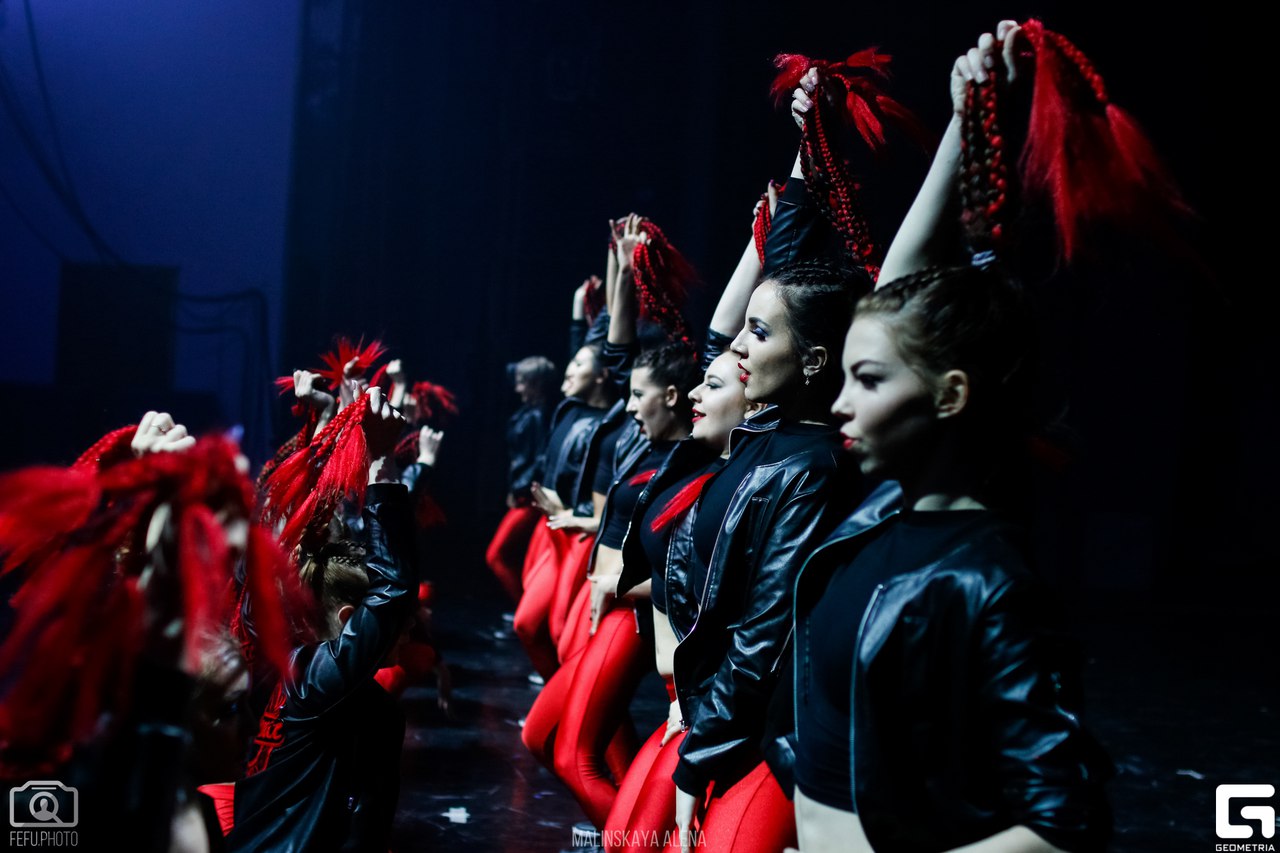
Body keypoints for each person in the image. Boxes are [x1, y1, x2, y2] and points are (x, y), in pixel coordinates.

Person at [785, 23, 1115, 853]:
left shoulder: (987, 580)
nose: (839, 406)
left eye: (867, 381)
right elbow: (898, 293)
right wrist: (966, 126)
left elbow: (1064, 823)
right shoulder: (877, 512)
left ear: (951, 395)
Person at [227, 388, 418, 853]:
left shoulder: (269, 659)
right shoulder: (316, 682)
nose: (406, 632)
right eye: (399, 626)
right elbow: (393, 591)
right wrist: (380, 463)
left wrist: (327, 422)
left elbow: (288, 535)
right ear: (350, 619)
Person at [485, 355, 559, 603]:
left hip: (529, 498)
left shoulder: (539, 416)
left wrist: (520, 491)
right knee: (516, 556)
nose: (517, 388)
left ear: (536, 384)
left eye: (522, 382)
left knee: (496, 555)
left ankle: (523, 610)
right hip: (523, 494)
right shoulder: (530, 413)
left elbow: (539, 461)